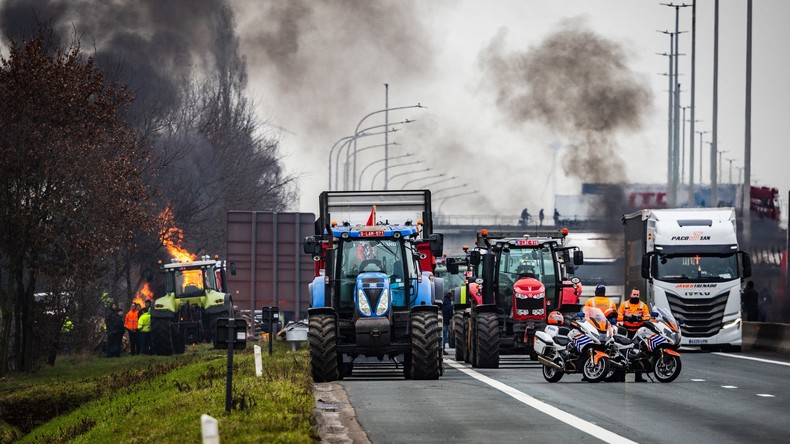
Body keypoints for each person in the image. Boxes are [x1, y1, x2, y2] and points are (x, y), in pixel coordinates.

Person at [442, 290, 453, 355]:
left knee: (442, 336)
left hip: (441, 321)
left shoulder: (442, 302)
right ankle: (443, 350)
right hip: (445, 322)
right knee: (444, 336)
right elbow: (450, 315)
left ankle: (441, 349)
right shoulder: (449, 305)